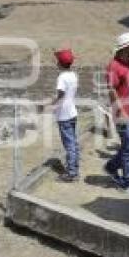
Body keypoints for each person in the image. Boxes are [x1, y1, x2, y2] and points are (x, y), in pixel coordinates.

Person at [105, 33, 129, 193]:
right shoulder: (114, 65)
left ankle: (111, 166)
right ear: (125, 48)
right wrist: (119, 109)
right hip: (122, 113)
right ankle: (127, 182)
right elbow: (111, 88)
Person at [51, 49, 79, 182]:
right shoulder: (73, 75)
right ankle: (75, 168)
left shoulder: (61, 77)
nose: (56, 63)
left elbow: (60, 94)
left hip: (64, 115)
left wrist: (51, 103)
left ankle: (71, 172)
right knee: (73, 142)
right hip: (72, 112)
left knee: (69, 144)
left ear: (60, 63)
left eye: (57, 61)